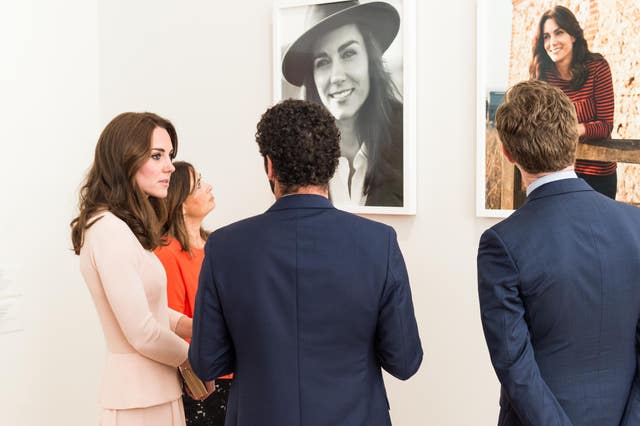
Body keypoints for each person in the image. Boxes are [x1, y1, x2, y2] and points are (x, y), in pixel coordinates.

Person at [189, 99, 422, 425]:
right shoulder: (378, 243)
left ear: (269, 166)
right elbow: (405, 361)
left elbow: (206, 362)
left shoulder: (224, 247)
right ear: (332, 166)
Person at [478, 80, 640, 425]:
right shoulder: (636, 225)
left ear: (507, 153)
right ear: (574, 138)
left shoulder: (502, 243)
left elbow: (514, 366)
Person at [71, 112, 211, 425]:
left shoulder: (122, 228)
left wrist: (192, 326)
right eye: (157, 155)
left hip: (156, 393)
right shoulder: (107, 229)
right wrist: (192, 360)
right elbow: (141, 331)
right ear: (125, 160)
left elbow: (150, 307)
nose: (170, 167)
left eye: (169, 156)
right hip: (138, 402)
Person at [282, 0, 403, 207]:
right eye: (323, 62)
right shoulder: (297, 153)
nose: (336, 76)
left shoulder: (406, 139)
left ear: (370, 60)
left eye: (348, 54)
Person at [155, 161, 232, 426]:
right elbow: (171, 325)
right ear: (180, 202)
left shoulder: (216, 246)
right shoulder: (166, 253)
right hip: (202, 384)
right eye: (198, 184)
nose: (209, 186)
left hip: (232, 375)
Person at [530, 5, 616, 199]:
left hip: (598, 174)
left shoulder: (597, 67)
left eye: (559, 32)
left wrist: (572, 130)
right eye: (546, 36)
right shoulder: (543, 74)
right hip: (556, 174)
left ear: (573, 36)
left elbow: (605, 126)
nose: (552, 42)